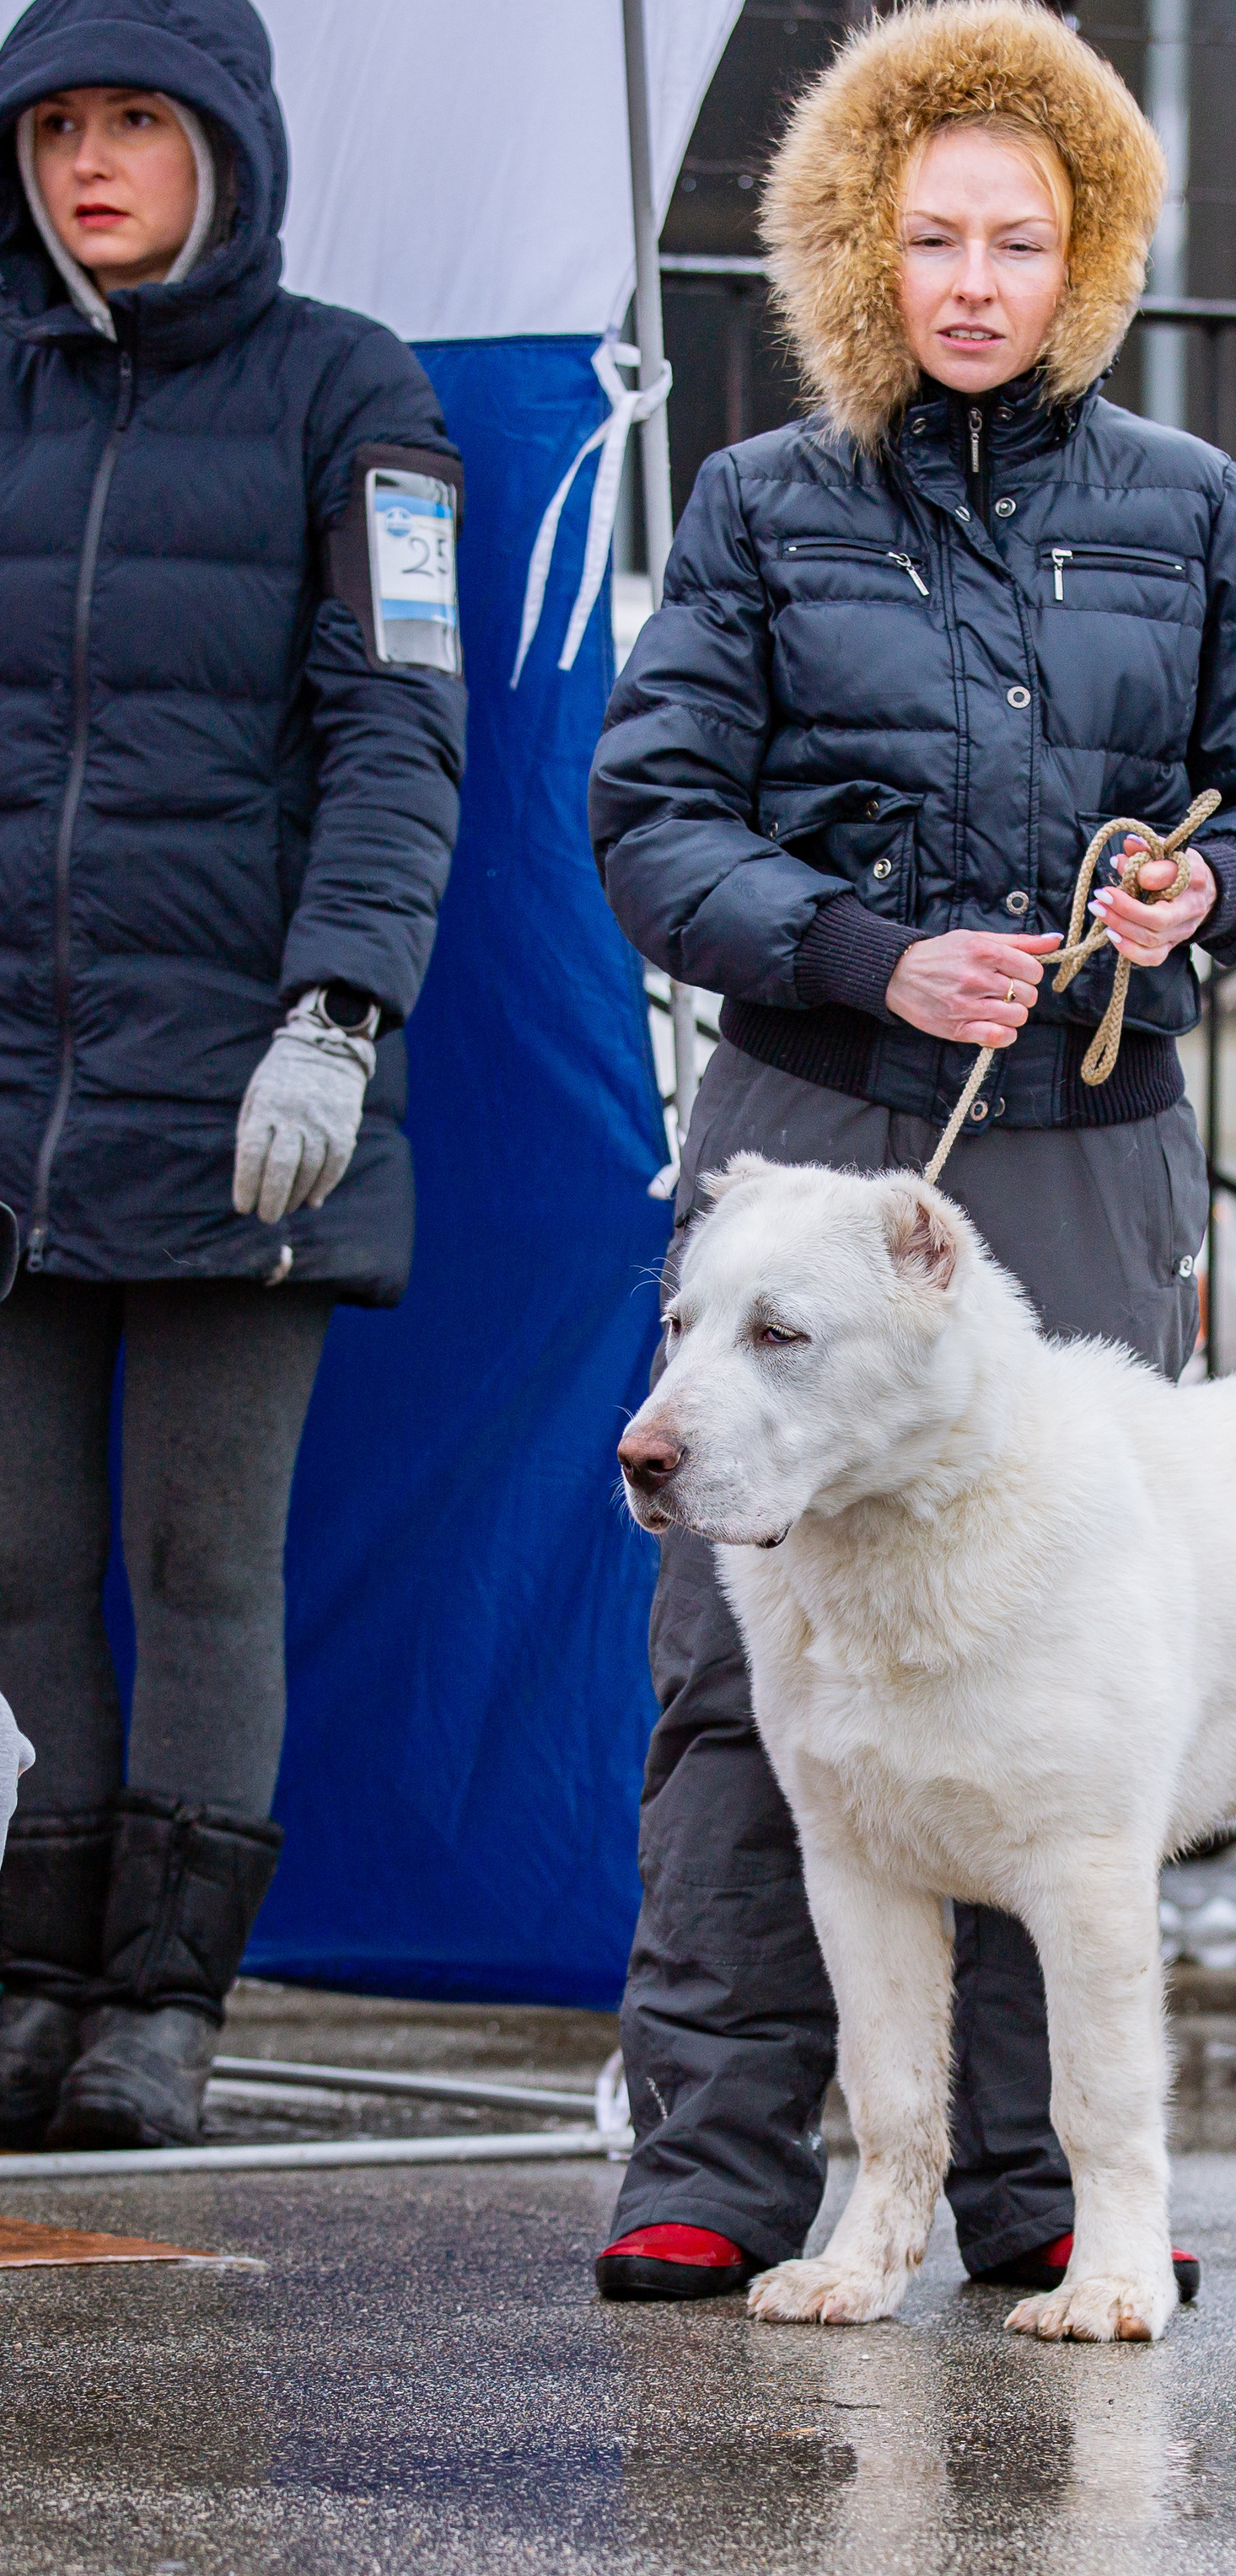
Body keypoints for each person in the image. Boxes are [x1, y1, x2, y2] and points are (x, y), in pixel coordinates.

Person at [588, 0, 1236, 2303]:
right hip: (815, 1128)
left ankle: (1041, 2197)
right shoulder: (760, 503)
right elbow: (650, 817)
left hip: (1088, 1145)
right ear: (858, 250)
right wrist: (858, 950)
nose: (976, 282)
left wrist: (1210, 891)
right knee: (755, 1670)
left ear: (1089, 256)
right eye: (931, 237)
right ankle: (714, 2160)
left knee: (1065, 1668)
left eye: (1023, 239)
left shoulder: (1197, 510)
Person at [0, 0, 465, 2152]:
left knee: (201, 1559)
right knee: (18, 1559)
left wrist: (339, 1012)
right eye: (56, 122)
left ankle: (160, 2006)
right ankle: (35, 1976)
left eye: (135, 122)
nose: (90, 162)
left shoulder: (349, 390)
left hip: (250, 1084)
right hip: (16, 1084)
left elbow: (401, 732)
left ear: (229, 145)